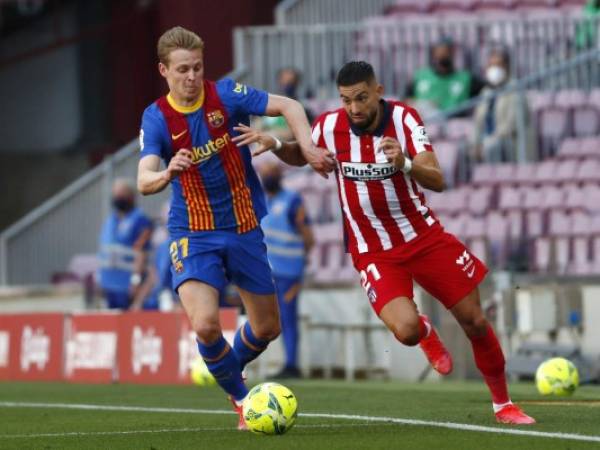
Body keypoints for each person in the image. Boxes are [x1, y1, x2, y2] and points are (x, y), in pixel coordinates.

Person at [234, 61, 536, 425]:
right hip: (372, 250)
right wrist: (278, 143)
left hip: (423, 238)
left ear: (377, 91)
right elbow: (304, 153)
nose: (355, 108)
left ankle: (503, 405)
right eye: (347, 100)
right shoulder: (330, 124)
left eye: (361, 98)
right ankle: (424, 329)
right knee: (406, 331)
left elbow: (437, 179)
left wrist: (406, 163)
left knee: (473, 320)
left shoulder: (405, 120)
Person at [136, 26, 333, 431]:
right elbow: (143, 180)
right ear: (163, 70)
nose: (192, 77)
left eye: (198, 67)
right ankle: (244, 400)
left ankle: (227, 369)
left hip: (244, 226)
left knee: (267, 328)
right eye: (183, 70)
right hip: (193, 232)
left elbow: (290, 105)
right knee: (206, 324)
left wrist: (308, 148)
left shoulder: (226, 95)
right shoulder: (157, 117)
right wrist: (167, 172)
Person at [259, 161, 314, 378]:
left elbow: (308, 237)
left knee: (288, 318)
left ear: (280, 176)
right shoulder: (262, 200)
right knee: (270, 320)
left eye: (271, 173)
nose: (268, 177)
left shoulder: (292, 201)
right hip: (267, 271)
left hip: (289, 272)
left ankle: (291, 365)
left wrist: (300, 263)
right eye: (265, 173)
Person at [97, 178, 153, 310]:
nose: (118, 197)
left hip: (126, 287)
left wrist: (135, 281)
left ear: (131, 196)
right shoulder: (111, 220)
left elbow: (141, 254)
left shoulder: (141, 221)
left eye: (121, 194)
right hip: (108, 285)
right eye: (115, 194)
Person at [471, 49, 534, 163]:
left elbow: (510, 126)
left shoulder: (515, 90)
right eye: (491, 65)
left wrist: (487, 141)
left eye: (498, 65)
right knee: (464, 148)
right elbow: (478, 122)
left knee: (490, 146)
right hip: (488, 140)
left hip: (510, 142)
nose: (494, 69)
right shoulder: (486, 92)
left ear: (507, 67)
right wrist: (475, 143)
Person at [405, 38, 482, 115]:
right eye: (440, 52)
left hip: (455, 123)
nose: (443, 55)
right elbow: (405, 100)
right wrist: (424, 105)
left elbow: (488, 91)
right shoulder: (420, 76)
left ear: (453, 52)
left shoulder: (465, 78)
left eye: (446, 51)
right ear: (434, 53)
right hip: (425, 121)